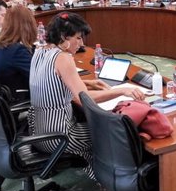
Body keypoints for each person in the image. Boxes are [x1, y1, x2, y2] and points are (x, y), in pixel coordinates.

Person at [28, 12, 144, 178]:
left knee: (91, 121)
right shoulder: (63, 58)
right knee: (114, 130)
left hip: (37, 132)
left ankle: (95, 173)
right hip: (60, 136)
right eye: (78, 38)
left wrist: (88, 83)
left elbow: (52, 81)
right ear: (63, 37)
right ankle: (116, 179)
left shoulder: (39, 51)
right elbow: (85, 99)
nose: (81, 43)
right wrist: (122, 90)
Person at [0, 5, 37, 99]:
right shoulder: (18, 51)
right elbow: (38, 79)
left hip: (5, 96)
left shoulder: (0, 45)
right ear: (29, 25)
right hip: (20, 99)